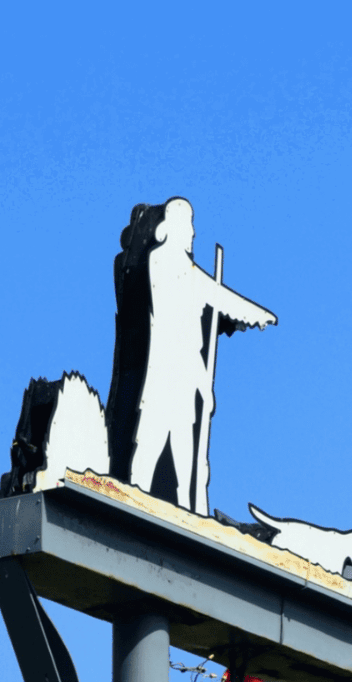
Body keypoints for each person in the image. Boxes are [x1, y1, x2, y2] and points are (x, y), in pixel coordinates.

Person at [106, 198, 275, 513]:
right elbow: (217, 297)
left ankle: (187, 510)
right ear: (172, 226)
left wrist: (202, 388)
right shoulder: (165, 263)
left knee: (185, 456)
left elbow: (212, 301)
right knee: (151, 448)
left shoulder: (185, 271)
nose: (193, 233)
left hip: (183, 383)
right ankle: (136, 500)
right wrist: (256, 315)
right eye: (189, 224)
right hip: (163, 380)